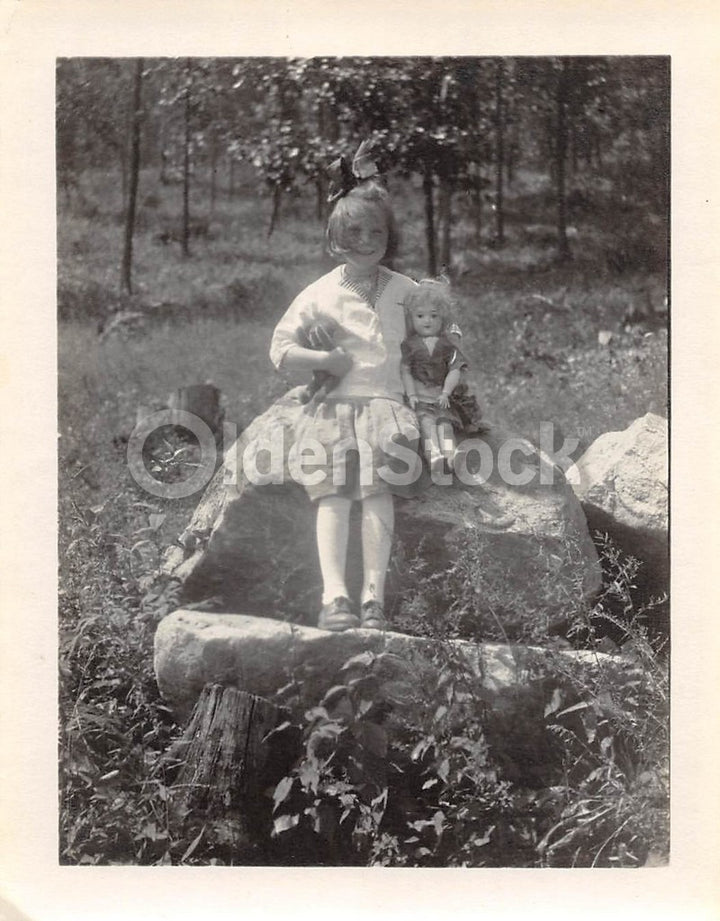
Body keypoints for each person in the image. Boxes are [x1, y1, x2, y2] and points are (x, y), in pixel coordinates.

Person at [268, 142, 426, 633]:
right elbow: (280, 349)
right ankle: (334, 594)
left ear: (389, 237)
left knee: (378, 493)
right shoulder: (321, 292)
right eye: (353, 232)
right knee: (333, 494)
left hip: (386, 406)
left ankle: (373, 597)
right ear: (335, 241)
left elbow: (435, 342)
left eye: (376, 231)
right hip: (334, 406)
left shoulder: (405, 290)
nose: (366, 240)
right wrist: (325, 360)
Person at [401, 278, 485, 475]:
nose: (427, 320)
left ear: (443, 319)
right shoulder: (409, 346)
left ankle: (452, 455)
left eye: (434, 316)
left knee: (444, 425)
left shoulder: (447, 346)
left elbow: (455, 369)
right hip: (420, 398)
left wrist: (447, 392)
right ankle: (434, 457)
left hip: (441, 397)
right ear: (412, 319)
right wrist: (411, 394)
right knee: (427, 425)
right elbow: (405, 370)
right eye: (420, 316)